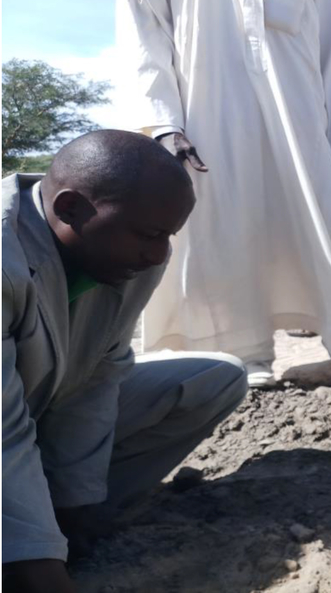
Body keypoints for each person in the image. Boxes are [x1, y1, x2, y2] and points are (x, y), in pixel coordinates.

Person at [117, 0, 331, 391]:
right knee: (226, 225)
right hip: (206, 109)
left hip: (300, 110)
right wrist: (162, 124)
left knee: (329, 225)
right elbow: (143, 29)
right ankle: (246, 353)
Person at [2, 131, 248, 593]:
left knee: (216, 378)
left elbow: (99, 373)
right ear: (71, 209)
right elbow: (3, 433)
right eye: (150, 235)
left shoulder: (133, 253)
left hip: (39, 408)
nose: (159, 255)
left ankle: (55, 516)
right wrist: (37, 564)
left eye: (168, 237)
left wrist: (80, 499)